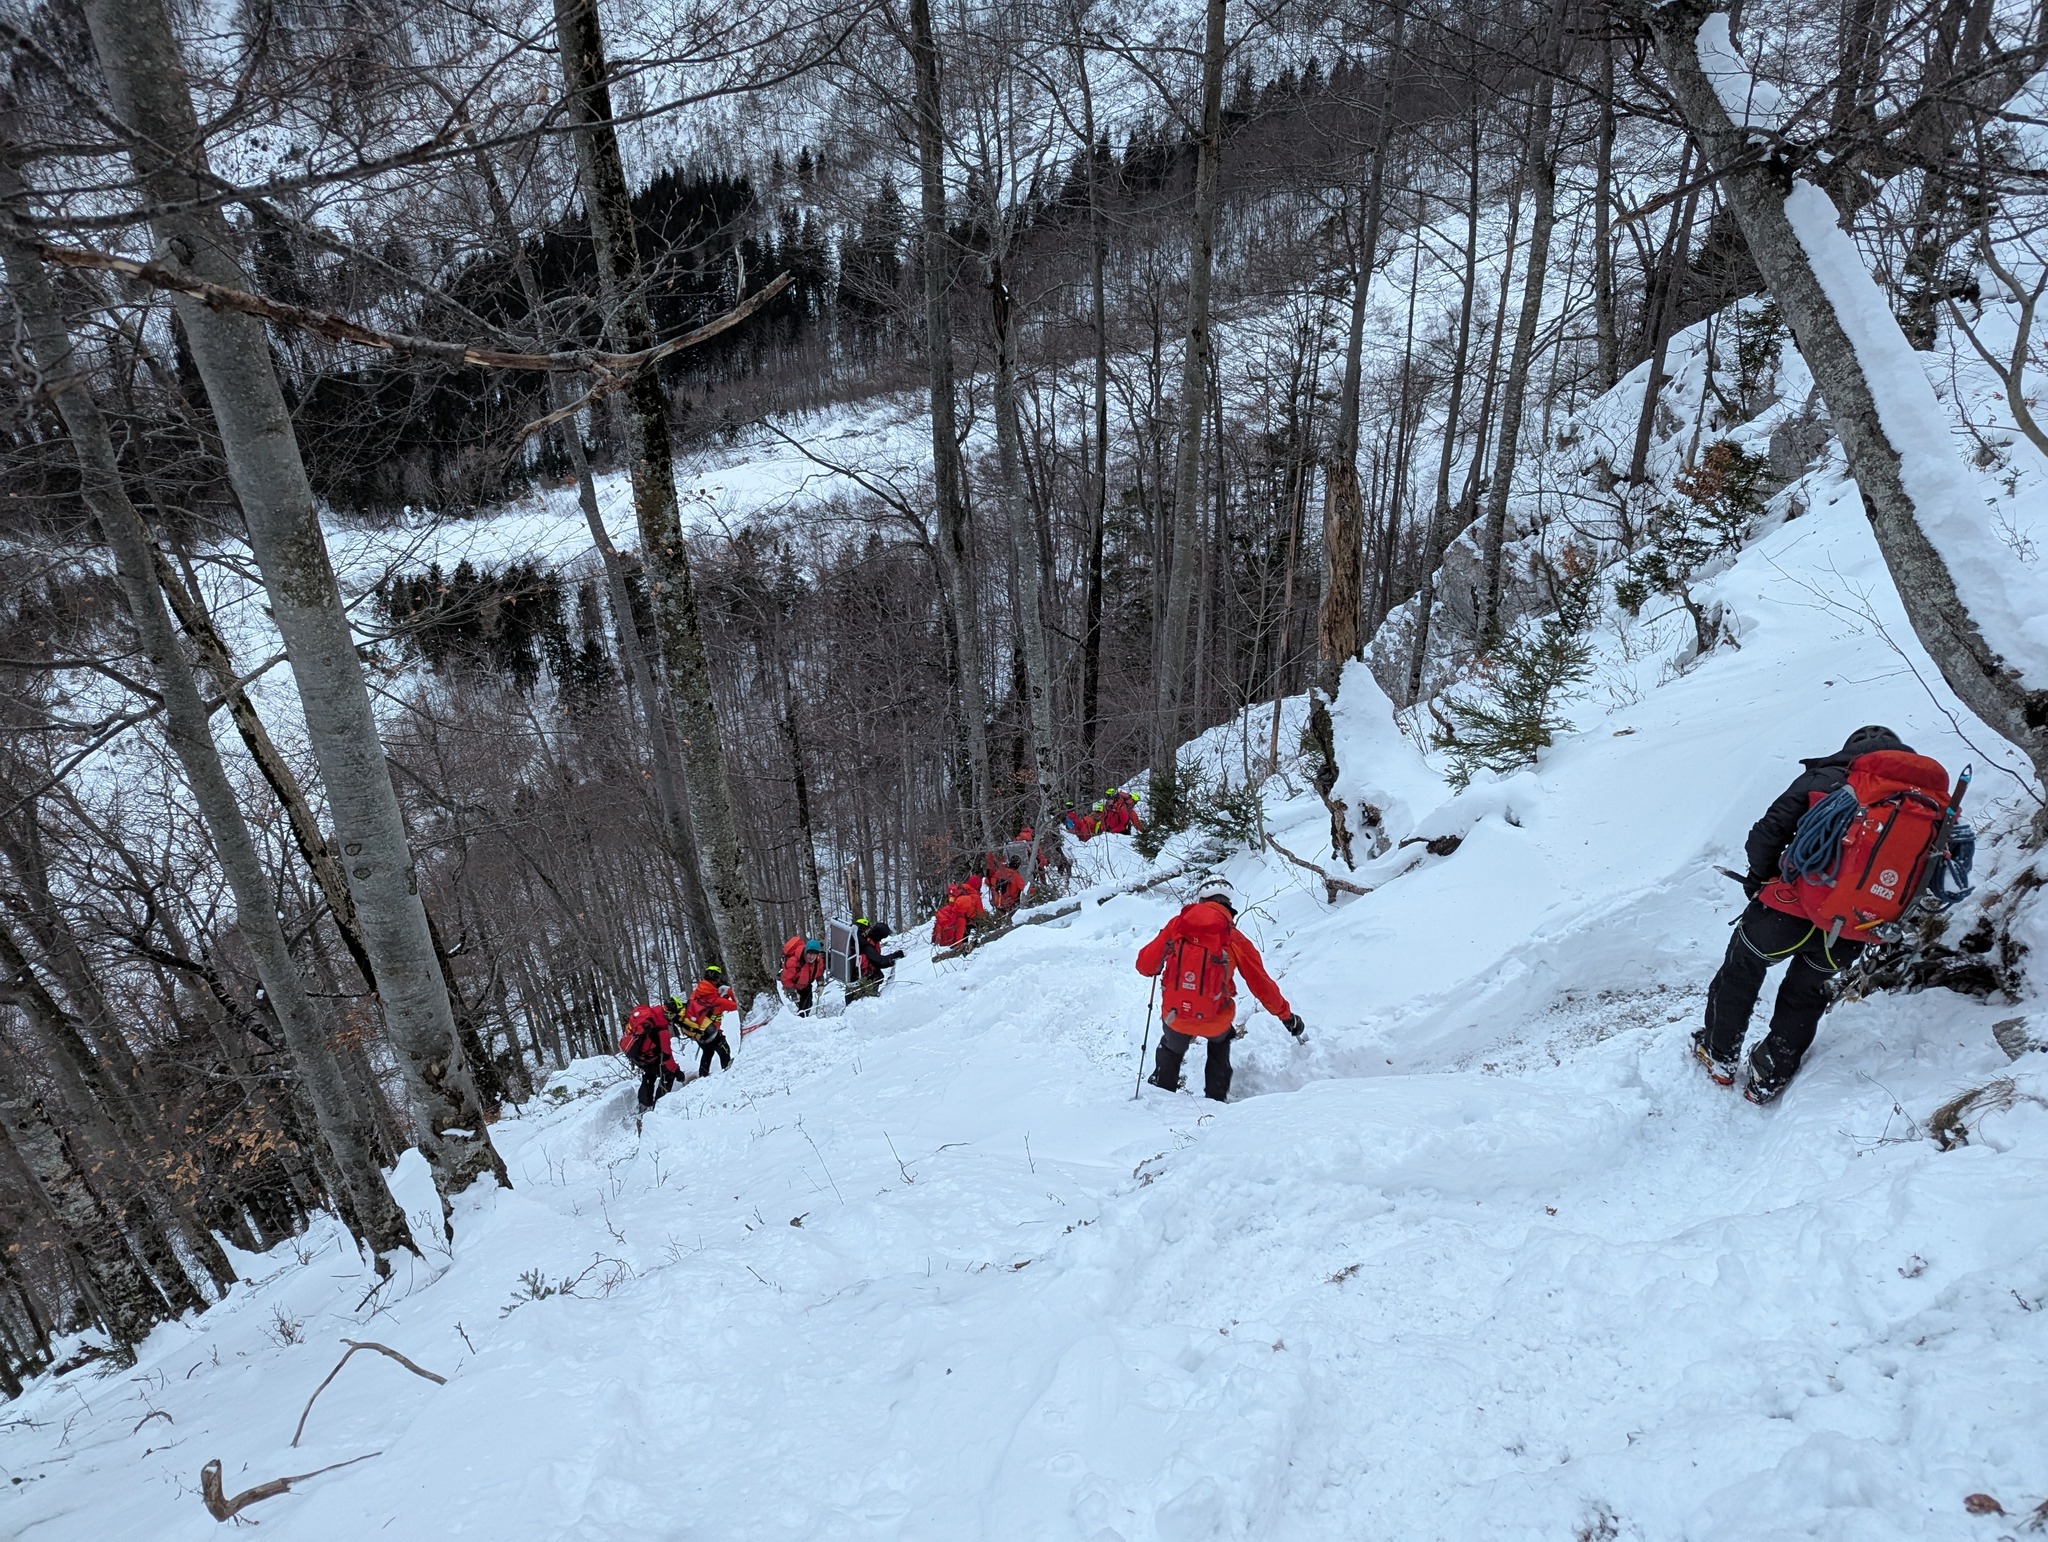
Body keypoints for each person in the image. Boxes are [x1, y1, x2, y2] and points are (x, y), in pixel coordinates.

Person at [1692, 725, 1943, 1104]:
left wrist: (1759, 880)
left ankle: (1719, 1055)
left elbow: (1766, 834)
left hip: (1785, 912)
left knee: (1742, 970)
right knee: (1806, 995)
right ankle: (1768, 1077)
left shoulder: (1826, 778)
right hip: (1854, 929)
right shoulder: (1931, 806)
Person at [1136, 878, 1305, 1102]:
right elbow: (1260, 983)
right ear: (1228, 906)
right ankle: (1214, 1104)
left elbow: (1145, 966)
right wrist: (1286, 1016)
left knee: (1171, 1049)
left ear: (1200, 901)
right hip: (1215, 1015)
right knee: (1220, 1042)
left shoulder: (1177, 926)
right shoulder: (1233, 938)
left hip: (1175, 1014)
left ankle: (1160, 1099)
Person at [674, 963, 740, 1077]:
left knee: (707, 1052)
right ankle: (728, 1073)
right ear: (717, 979)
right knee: (724, 1050)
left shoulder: (697, 993)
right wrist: (729, 992)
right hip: (711, 1032)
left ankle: (703, 1075)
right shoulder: (716, 1000)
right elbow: (738, 1005)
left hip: (697, 1032)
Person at [621, 999, 681, 1110]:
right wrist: (676, 1071)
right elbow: (667, 1056)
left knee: (650, 1073)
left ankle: (644, 1103)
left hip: (636, 1054)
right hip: (647, 1057)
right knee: (668, 1074)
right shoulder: (662, 1031)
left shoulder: (649, 1014)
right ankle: (659, 1104)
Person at [849, 920, 903, 1002]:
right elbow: (879, 961)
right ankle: (871, 998)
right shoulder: (865, 945)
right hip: (862, 979)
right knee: (877, 977)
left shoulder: (860, 938)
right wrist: (894, 956)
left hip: (854, 975)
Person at [780, 936, 826, 1015]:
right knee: (802, 1009)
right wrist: (792, 992)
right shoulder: (794, 962)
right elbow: (785, 979)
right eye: (810, 954)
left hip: (806, 986)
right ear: (806, 952)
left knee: (808, 1006)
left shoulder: (818, 961)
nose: (811, 957)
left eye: (814, 955)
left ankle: (803, 1021)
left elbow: (819, 972)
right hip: (794, 987)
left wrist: (820, 983)